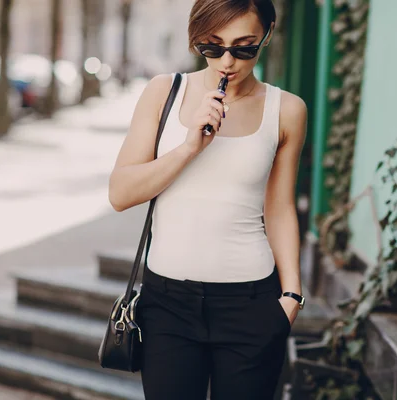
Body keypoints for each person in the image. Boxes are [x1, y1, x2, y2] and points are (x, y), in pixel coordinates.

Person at [107, 0, 307, 398]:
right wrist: (187, 149)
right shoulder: (165, 92)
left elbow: (280, 207)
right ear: (196, 40)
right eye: (212, 47)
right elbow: (120, 194)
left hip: (252, 304)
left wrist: (292, 296)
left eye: (244, 47)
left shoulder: (285, 109)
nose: (227, 62)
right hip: (167, 305)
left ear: (267, 35)